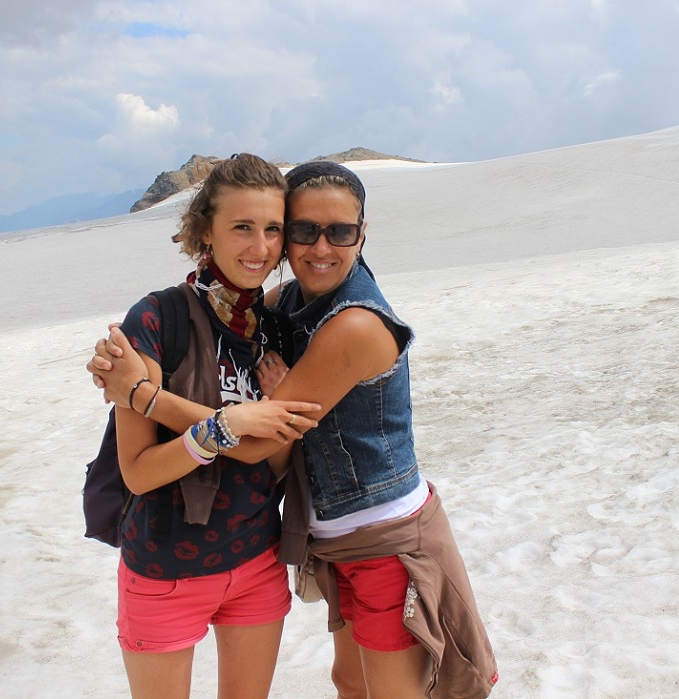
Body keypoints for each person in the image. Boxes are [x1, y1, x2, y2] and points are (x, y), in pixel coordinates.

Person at [91, 161, 497, 698]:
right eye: (303, 230)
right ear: (206, 229)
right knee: (350, 682)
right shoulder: (268, 308)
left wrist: (147, 397)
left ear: (362, 234)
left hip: (377, 540)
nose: (318, 247)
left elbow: (260, 447)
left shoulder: (345, 323)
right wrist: (139, 375)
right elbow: (146, 467)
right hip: (301, 544)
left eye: (339, 232)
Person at [100, 152, 321, 699]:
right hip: (164, 571)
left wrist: (269, 413)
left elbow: (272, 462)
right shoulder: (156, 319)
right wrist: (224, 426)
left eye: (272, 229)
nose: (260, 247)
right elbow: (139, 472)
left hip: (256, 561)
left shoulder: (272, 329)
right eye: (242, 227)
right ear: (205, 231)